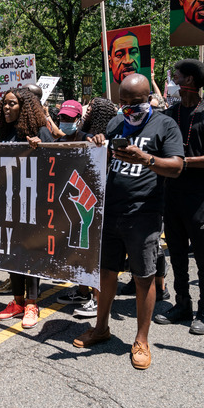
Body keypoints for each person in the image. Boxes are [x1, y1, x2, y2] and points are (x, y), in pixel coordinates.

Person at [72, 74, 184, 370]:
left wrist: (145, 159)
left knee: (142, 277)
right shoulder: (115, 123)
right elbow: (101, 160)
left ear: (149, 98)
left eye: (135, 103)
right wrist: (96, 143)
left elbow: (177, 167)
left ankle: (141, 339)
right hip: (110, 211)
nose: (128, 108)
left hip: (144, 213)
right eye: (123, 102)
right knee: (106, 273)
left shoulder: (165, 124)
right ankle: (101, 328)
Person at [154, 59, 204, 335]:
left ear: (189, 81)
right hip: (170, 195)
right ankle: (181, 303)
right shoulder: (168, 114)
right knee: (176, 254)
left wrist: (184, 162)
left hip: (200, 197)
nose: (171, 80)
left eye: (175, 76)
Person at [0, 88, 54, 329]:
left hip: (32, 205)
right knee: (12, 255)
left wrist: (42, 148)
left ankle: (32, 304)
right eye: (4, 104)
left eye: (12, 104)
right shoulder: (5, 133)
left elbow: (57, 161)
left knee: (30, 255)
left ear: (24, 107)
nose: (6, 108)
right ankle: (17, 302)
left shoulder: (40, 131)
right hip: (7, 205)